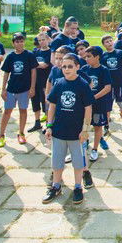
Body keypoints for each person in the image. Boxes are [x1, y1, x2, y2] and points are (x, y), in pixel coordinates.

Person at [43, 53, 95, 204]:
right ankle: (56, 185)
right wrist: (49, 126)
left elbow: (88, 109)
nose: (66, 69)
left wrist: (85, 130)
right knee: (57, 161)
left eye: (70, 66)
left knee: (78, 162)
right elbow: (52, 106)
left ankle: (78, 187)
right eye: (64, 66)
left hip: (76, 133)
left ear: (77, 67)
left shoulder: (82, 85)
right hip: (59, 131)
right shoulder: (59, 83)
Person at [0, 32, 37, 147]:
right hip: (11, 89)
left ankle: (21, 133)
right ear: (13, 43)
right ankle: (1, 135)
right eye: (17, 41)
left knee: (23, 110)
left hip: (24, 89)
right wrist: (3, 89)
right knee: (7, 111)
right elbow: (6, 73)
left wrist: (32, 87)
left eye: (21, 41)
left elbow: (33, 72)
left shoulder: (29, 55)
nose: (19, 43)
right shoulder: (10, 56)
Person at [80, 46, 112, 161]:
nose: (86, 59)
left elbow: (107, 88)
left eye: (89, 56)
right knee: (85, 125)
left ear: (97, 57)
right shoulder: (84, 69)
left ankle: (95, 149)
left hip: (99, 104)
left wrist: (93, 97)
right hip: (85, 105)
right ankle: (83, 145)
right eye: (85, 57)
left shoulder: (104, 70)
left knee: (98, 126)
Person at [101, 35, 122, 133]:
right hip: (108, 86)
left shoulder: (120, 53)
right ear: (103, 44)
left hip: (120, 84)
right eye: (107, 42)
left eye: (110, 40)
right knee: (107, 108)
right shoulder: (103, 56)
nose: (109, 43)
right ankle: (106, 126)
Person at [29, 31, 53, 133]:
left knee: (46, 103)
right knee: (35, 102)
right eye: (39, 40)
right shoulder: (35, 52)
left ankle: (48, 124)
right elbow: (31, 64)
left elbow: (45, 65)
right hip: (35, 81)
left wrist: (34, 64)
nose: (41, 42)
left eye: (43, 40)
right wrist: (35, 64)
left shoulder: (50, 52)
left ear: (47, 40)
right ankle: (37, 122)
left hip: (45, 82)